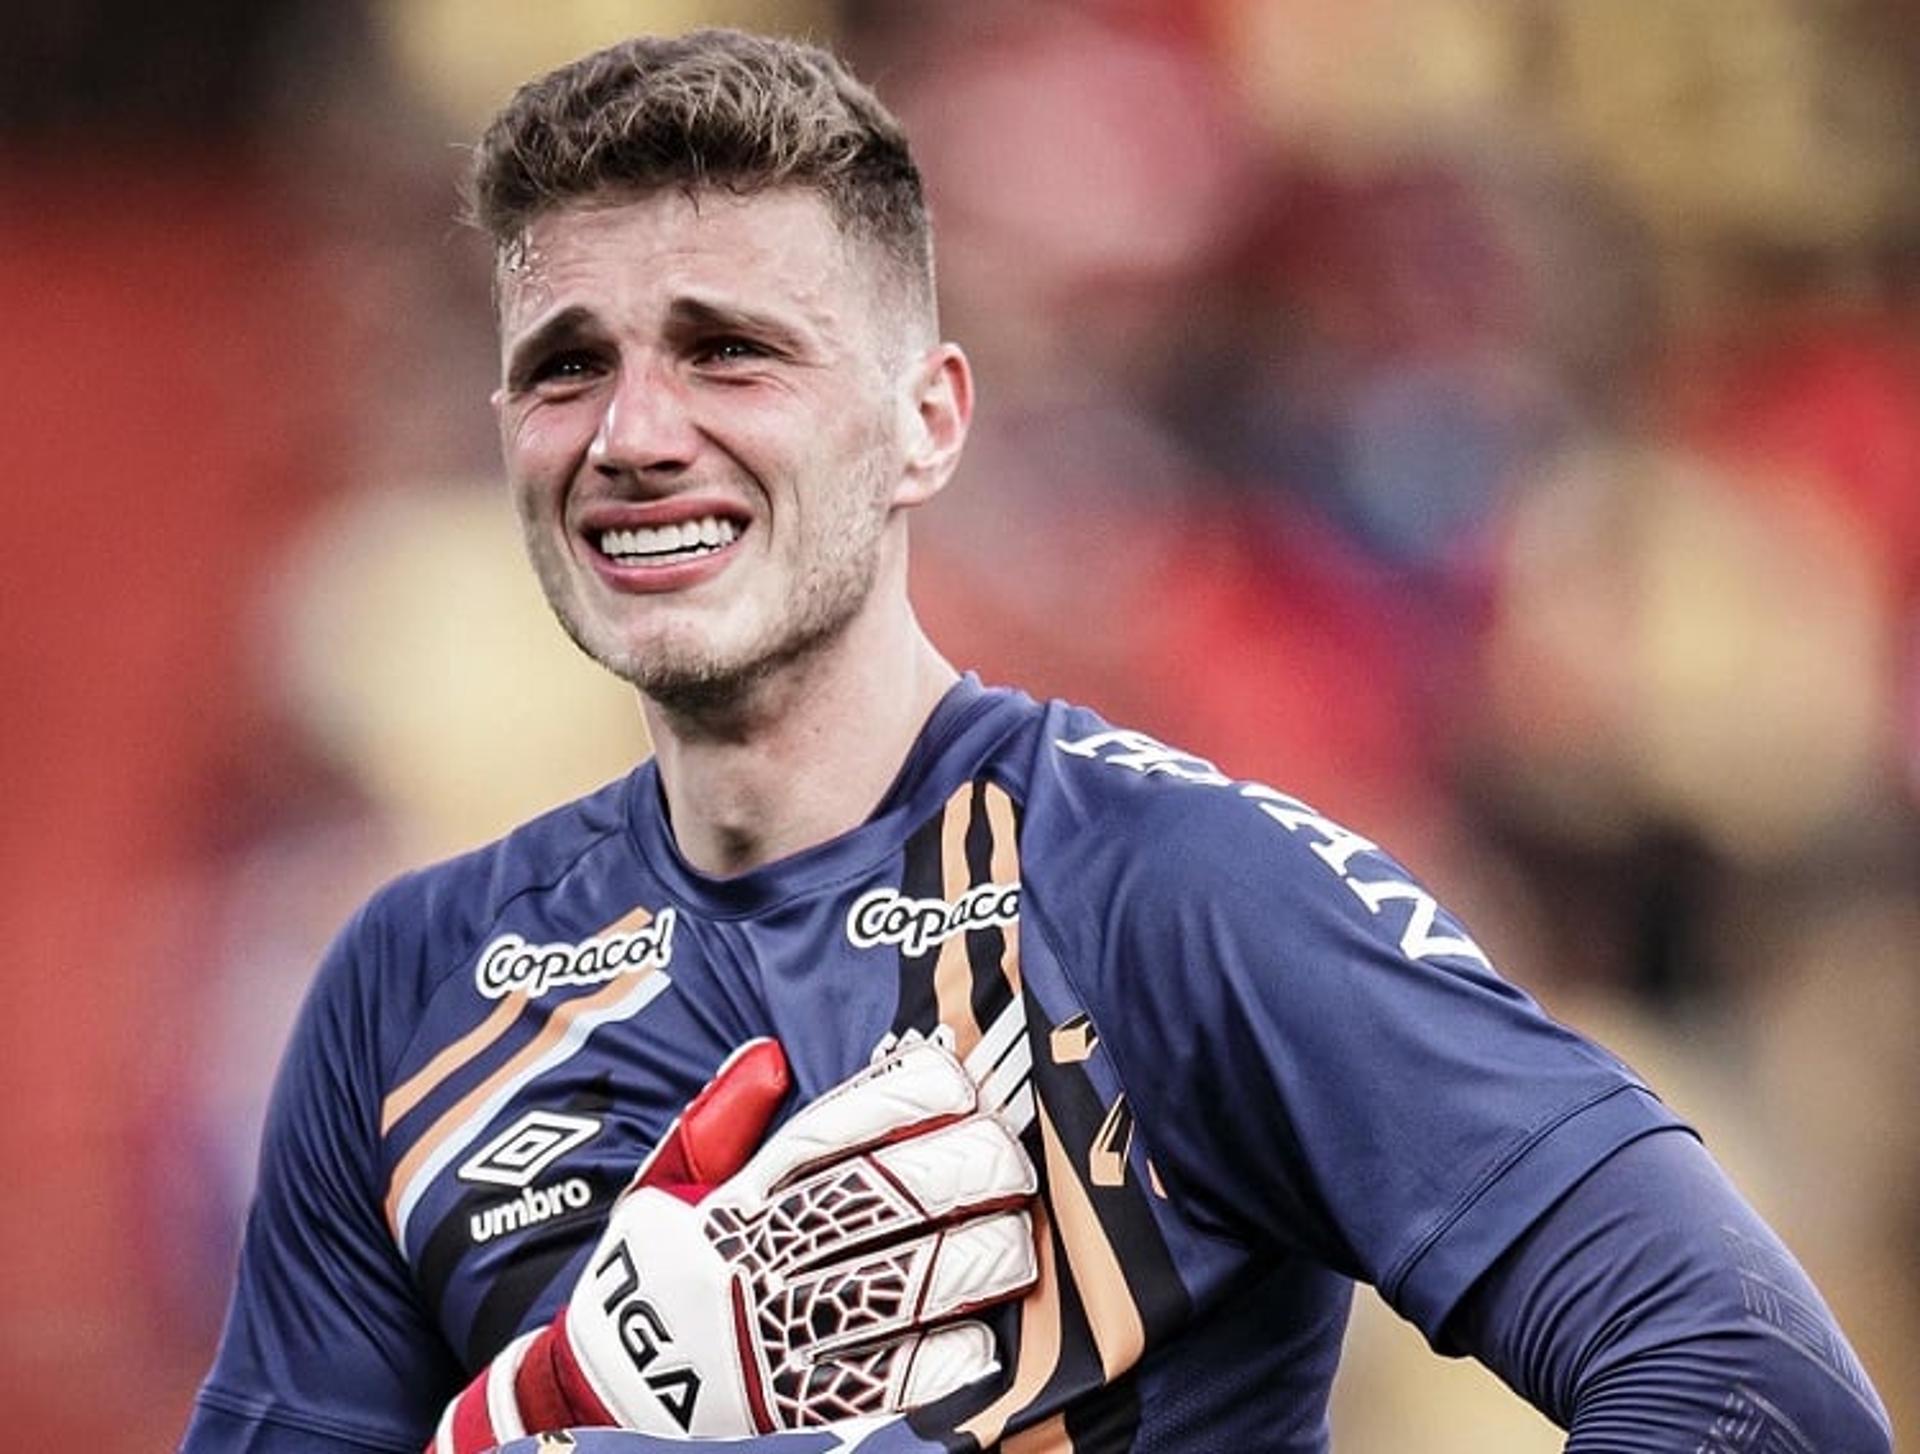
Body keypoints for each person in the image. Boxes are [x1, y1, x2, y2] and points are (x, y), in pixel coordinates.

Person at [181, 28, 1894, 1454]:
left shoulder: (1175, 892)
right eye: (568, 366)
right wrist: (561, 1412)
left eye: (732, 353)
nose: (636, 432)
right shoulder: (410, 983)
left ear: (928, 422)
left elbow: (1754, 1382)